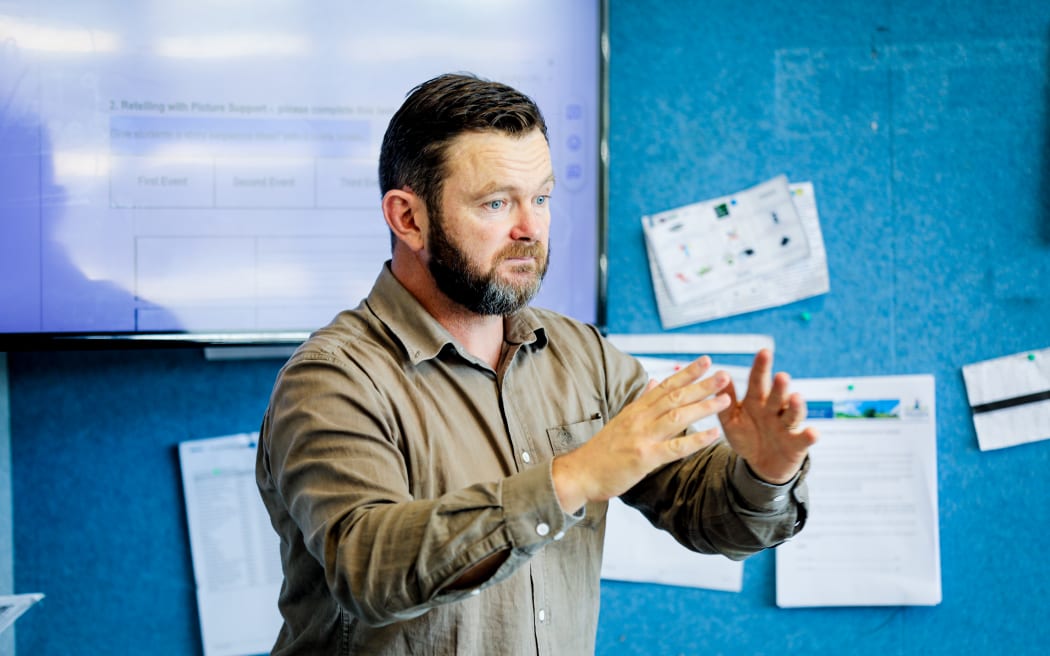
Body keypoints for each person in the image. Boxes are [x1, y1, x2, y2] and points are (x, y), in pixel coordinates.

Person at [256, 72, 817, 655]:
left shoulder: (585, 357)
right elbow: (369, 568)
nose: (530, 230)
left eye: (542, 198)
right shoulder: (332, 378)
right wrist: (572, 479)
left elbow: (712, 518)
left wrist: (764, 472)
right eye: (496, 202)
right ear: (408, 218)